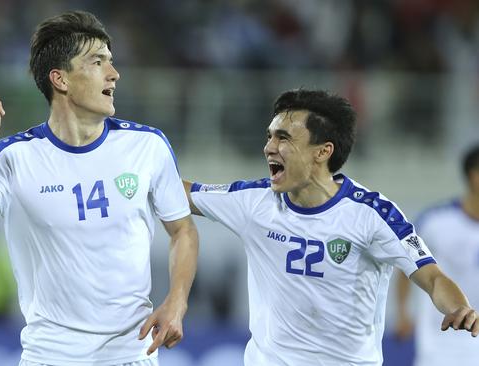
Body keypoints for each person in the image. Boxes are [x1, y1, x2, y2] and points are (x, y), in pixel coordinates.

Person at [0, 10, 198, 366]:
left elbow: (182, 229)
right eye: (98, 62)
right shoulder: (14, 157)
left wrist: (177, 302)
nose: (114, 74)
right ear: (60, 79)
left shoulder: (147, 146)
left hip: (130, 355)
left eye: (111, 61)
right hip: (50, 356)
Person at [183, 89, 478, 365]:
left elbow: (433, 278)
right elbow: (177, 192)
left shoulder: (372, 214)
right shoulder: (253, 202)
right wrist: (140, 162)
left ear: (322, 152)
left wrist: (459, 308)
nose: (269, 147)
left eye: (283, 138)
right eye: (270, 136)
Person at [394, 144, 479, 366]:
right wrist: (402, 312)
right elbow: (406, 266)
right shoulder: (435, 221)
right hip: (441, 339)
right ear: (473, 176)